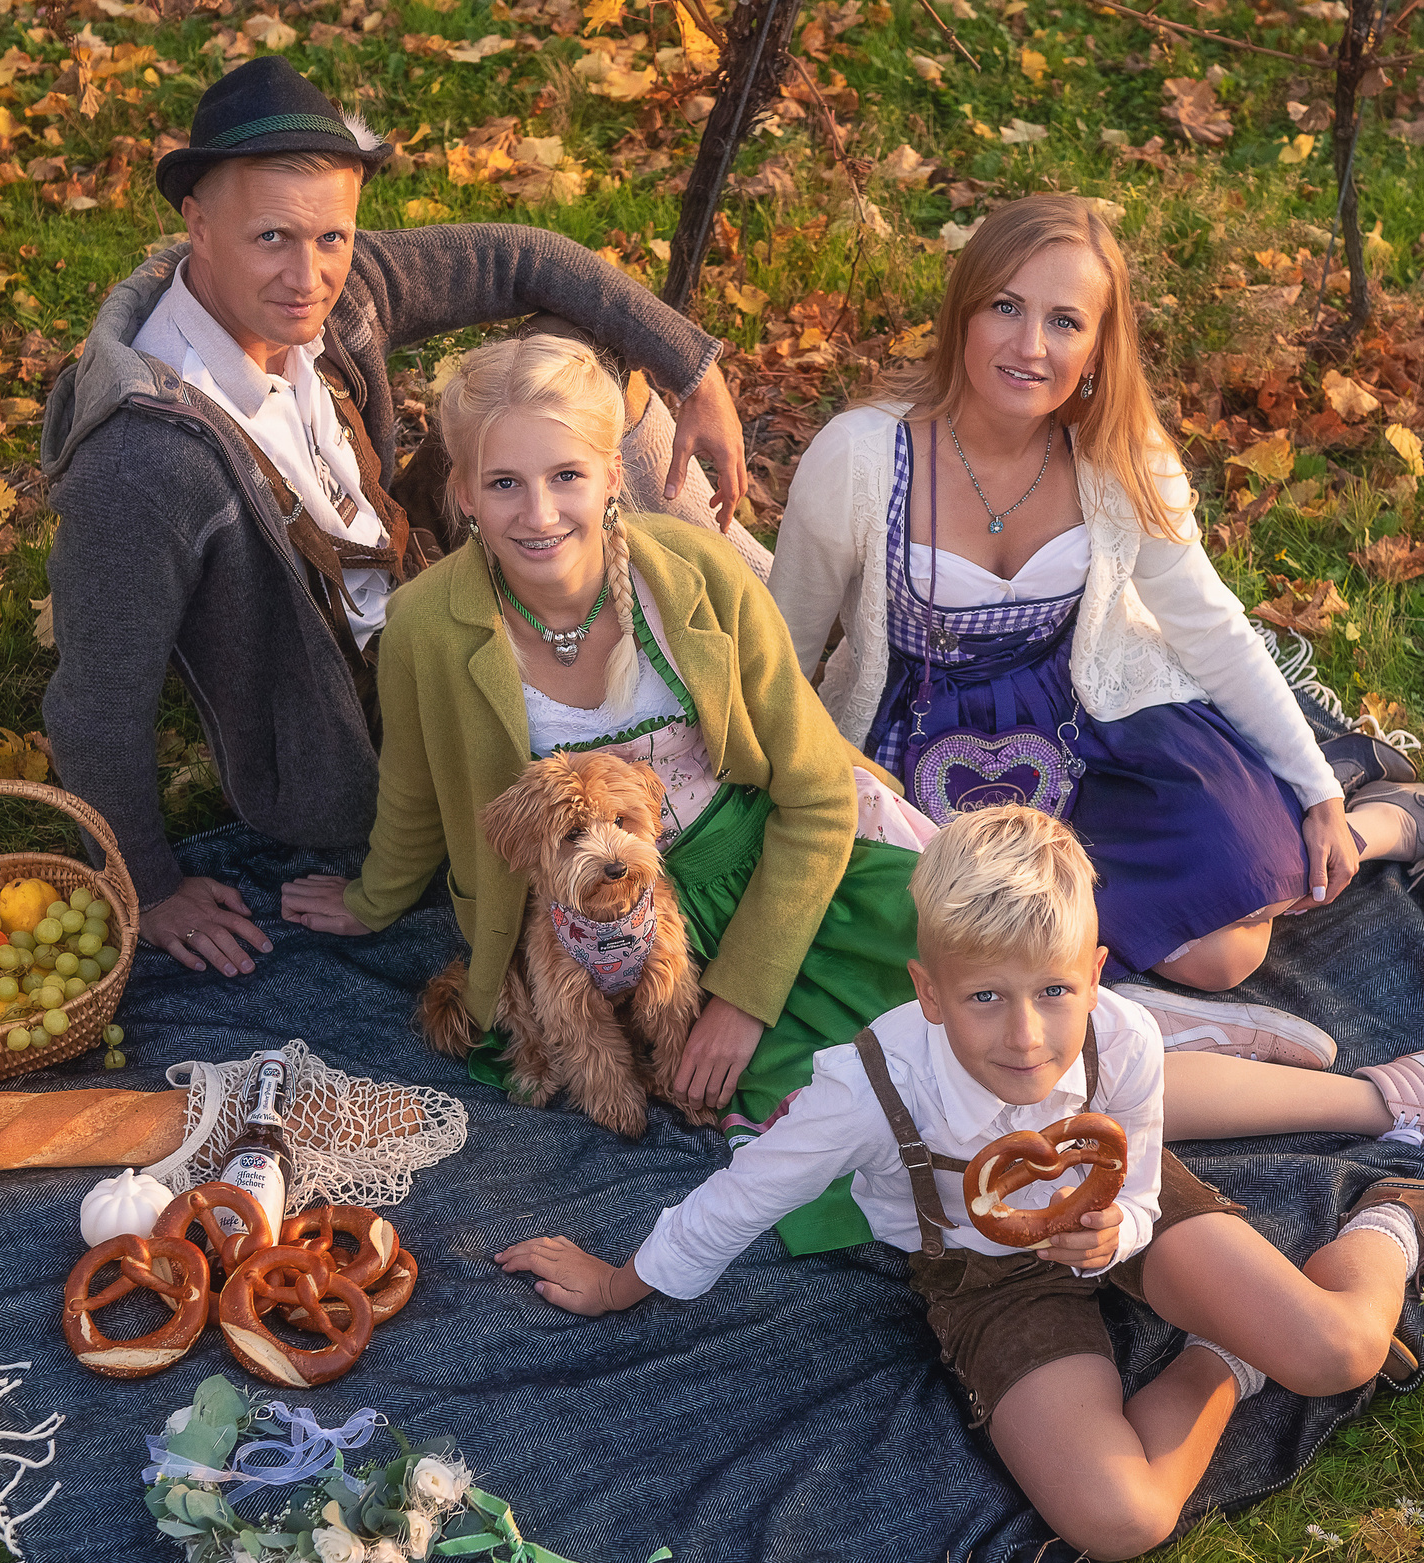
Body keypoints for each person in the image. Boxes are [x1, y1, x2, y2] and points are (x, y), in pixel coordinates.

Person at [495, 806, 1424, 1560]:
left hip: (1123, 1217)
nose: (1026, 1036)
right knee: (1122, 1518)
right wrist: (616, 1283)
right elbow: (739, 1200)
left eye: (1054, 992)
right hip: (982, 1278)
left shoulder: (1125, 1040)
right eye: (985, 1000)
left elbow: (1139, 1180)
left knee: (1339, 1353)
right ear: (928, 991)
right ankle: (1225, 1357)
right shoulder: (868, 1086)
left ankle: (1392, 1223)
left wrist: (1114, 1231)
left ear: (1094, 975)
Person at [39, 55, 765, 979]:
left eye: (332, 237)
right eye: (272, 237)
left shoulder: (336, 293)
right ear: (197, 225)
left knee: (588, 368)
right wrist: (144, 880)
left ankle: (741, 607)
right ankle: (715, 645)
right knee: (583, 453)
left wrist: (691, 365)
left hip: (415, 579)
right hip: (354, 728)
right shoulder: (145, 460)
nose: (310, 276)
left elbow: (524, 257)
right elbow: (95, 700)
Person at [768, 193, 1424, 998]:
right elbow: (779, 650)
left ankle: (1381, 822)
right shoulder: (861, 458)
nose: (1030, 346)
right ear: (963, 311)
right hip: (917, 748)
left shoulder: (1115, 457)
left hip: (1087, 725)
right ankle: (1339, 779)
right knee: (955, 960)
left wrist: (1310, 789)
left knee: (1233, 938)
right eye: (1005, 307)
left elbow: (1212, 629)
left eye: (1065, 321)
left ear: (1099, 346)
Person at [280, 334, 937, 1255]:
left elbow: (818, 790)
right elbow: (417, 792)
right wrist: (370, 899)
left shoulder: (698, 577)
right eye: (503, 483)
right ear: (463, 493)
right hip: (585, 922)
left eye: (566, 476)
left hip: (771, 869)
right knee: (831, 1117)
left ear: (612, 477)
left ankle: (1140, 1074)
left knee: (966, 1007)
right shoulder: (428, 623)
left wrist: (742, 997)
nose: (539, 512)